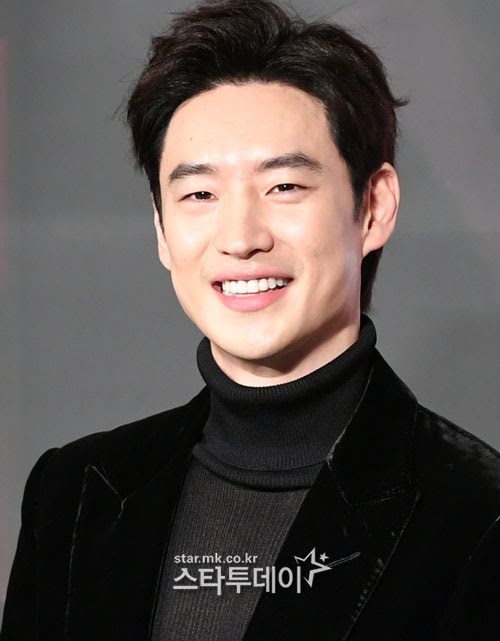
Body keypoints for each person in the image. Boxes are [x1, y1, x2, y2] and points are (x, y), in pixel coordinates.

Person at [2, 0, 500, 639]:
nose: (240, 238)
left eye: (284, 186)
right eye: (199, 194)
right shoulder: (72, 496)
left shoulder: (478, 518)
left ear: (374, 207)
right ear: (161, 229)